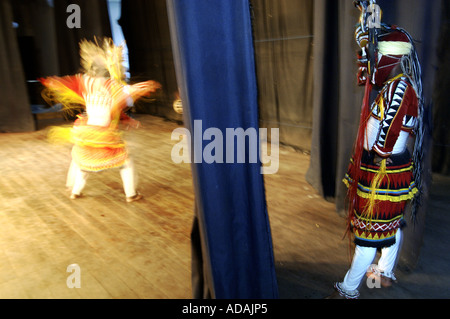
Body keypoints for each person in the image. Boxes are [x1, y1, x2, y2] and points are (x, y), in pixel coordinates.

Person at [331, 2, 424, 299]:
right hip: (388, 167)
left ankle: (348, 289)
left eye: (381, 55)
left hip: (383, 169)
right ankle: (383, 271)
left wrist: (374, 157)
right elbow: (367, 76)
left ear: (393, 57)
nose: (377, 59)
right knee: (390, 224)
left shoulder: (401, 88)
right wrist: (364, 42)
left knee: (369, 235)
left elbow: (389, 133)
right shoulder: (396, 83)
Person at [41, 38, 160, 202]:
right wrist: (147, 86)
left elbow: (64, 83)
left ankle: (75, 192)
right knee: (125, 162)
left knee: (84, 164)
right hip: (104, 135)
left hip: (86, 133)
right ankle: (131, 194)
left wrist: (51, 82)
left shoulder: (84, 82)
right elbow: (127, 95)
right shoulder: (114, 86)